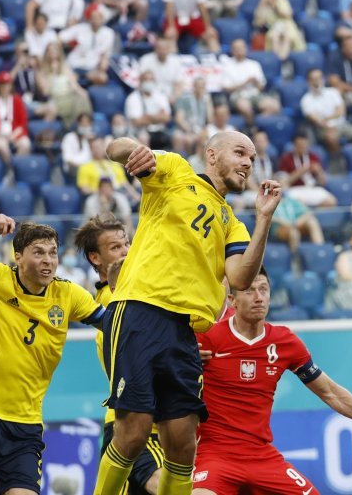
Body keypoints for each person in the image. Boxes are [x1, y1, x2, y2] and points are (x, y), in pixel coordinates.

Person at [92, 131, 282, 495]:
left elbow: (241, 277)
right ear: (211, 155)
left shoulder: (232, 221)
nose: (247, 163)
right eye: (240, 153)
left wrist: (264, 219)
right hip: (141, 310)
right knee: (132, 432)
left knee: (182, 445)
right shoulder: (177, 172)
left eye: (253, 159)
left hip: (184, 332)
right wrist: (135, 151)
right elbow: (114, 147)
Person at [192, 266, 352, 494]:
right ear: (233, 300)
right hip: (216, 457)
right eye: (250, 291)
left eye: (264, 289)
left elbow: (330, 393)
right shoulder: (206, 339)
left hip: (261, 458)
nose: (259, 297)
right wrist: (184, 361)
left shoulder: (285, 342)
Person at [0, 218, 105, 494]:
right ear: (18, 256)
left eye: (53, 252)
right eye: (38, 252)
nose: (48, 260)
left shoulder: (68, 295)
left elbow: (117, 324)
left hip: (23, 430)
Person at [74, 214, 167, 495]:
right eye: (115, 247)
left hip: (130, 424)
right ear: (95, 258)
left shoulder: (133, 297)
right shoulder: (111, 305)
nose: (126, 251)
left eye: (126, 244)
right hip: (136, 426)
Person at [0, 71, 31, 167]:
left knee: (26, 144)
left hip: (15, 134)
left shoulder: (17, 100)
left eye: (7, 84)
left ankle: (18, 169)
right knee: (2, 147)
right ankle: (10, 169)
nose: (5, 87)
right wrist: (0, 135)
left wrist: (13, 136)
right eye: (2, 85)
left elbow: (22, 123)